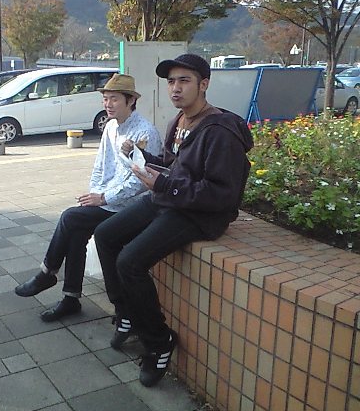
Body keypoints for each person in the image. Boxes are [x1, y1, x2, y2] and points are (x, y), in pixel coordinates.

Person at [94, 54, 253, 387]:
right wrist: (143, 158)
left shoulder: (220, 131)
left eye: (184, 81)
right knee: (106, 234)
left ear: (204, 84)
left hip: (200, 214)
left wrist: (166, 185)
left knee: (130, 261)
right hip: (170, 199)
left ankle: (159, 341)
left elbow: (222, 195)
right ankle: (127, 311)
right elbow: (173, 165)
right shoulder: (178, 121)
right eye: (171, 82)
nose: (175, 88)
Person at [14, 73, 162, 327]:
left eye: (114, 99)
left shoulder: (145, 132)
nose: (108, 104)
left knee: (70, 218)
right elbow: (100, 166)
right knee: (76, 229)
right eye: (105, 99)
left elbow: (141, 182)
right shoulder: (111, 127)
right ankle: (70, 298)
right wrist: (94, 194)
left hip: (132, 207)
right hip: (107, 201)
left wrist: (103, 197)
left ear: (130, 101)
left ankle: (48, 272)